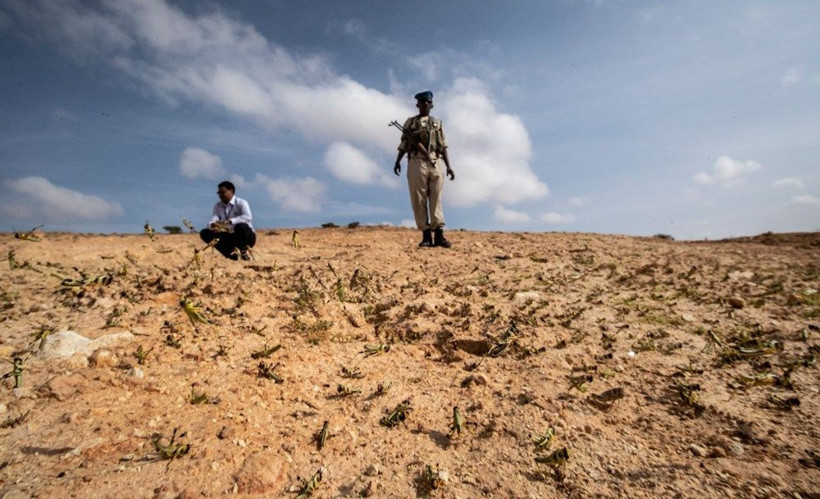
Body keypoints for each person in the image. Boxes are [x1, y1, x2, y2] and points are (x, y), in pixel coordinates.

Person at [393, 90, 455, 248]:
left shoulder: (437, 123)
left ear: (432, 105)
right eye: (422, 102)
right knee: (418, 199)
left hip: (435, 160)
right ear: (417, 105)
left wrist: (449, 166)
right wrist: (398, 161)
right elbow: (404, 144)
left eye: (428, 102)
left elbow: (443, 146)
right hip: (416, 161)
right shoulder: (410, 123)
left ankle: (439, 234)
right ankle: (426, 235)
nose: (425, 104)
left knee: (436, 197)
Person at [199, 181, 256, 260]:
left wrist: (230, 221)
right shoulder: (218, 206)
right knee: (205, 233)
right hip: (230, 237)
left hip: (246, 237)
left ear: (231, 191)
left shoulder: (241, 202)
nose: (221, 195)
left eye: (223, 192)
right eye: (219, 193)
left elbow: (248, 217)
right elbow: (213, 219)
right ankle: (231, 256)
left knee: (241, 226)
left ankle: (243, 253)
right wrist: (213, 225)